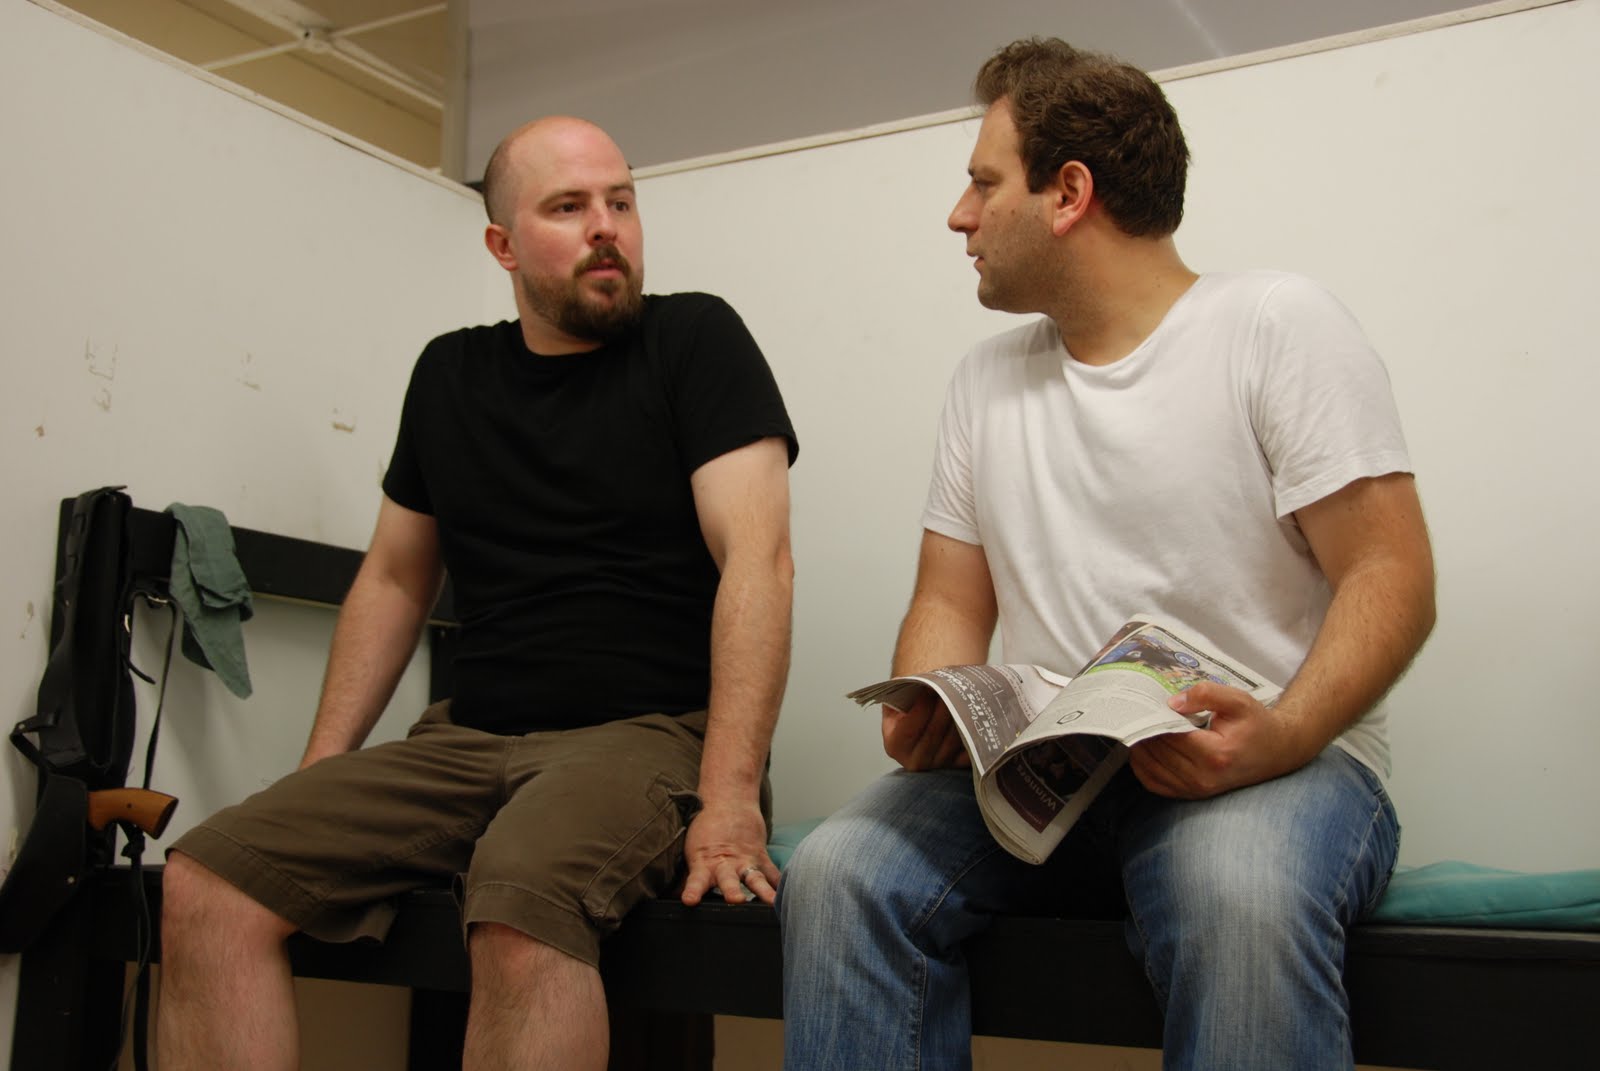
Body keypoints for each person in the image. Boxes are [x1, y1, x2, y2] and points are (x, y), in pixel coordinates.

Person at [778, 38, 1434, 1071]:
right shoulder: (983, 381)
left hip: (1268, 766)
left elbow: (1390, 574)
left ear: (1069, 193)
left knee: (1237, 892)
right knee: (840, 871)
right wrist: (930, 703)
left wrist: (1284, 734)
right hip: (1054, 782)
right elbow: (950, 600)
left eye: (983, 183)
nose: (958, 216)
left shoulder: (1276, 326)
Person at [156, 116, 798, 1071]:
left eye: (621, 201)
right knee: (206, 879)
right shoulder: (449, 373)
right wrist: (320, 765)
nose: (606, 226)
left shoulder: (695, 339)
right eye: (568, 207)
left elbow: (760, 561)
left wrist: (732, 796)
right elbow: (393, 577)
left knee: (519, 900)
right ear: (502, 244)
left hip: (647, 734)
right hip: (463, 740)